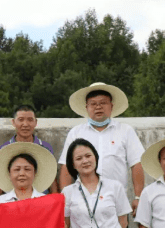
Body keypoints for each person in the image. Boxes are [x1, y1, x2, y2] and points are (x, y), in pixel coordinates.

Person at [58, 83, 145, 217]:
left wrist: (138, 197)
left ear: (111, 106)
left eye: (103, 103)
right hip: (82, 203)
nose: (98, 107)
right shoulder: (76, 133)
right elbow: (66, 167)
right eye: (93, 104)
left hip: (116, 203)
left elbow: (136, 164)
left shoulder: (125, 131)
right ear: (86, 107)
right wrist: (64, 199)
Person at [0, 105, 58, 198]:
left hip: (41, 201)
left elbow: (52, 179)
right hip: (12, 201)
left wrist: (55, 202)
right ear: (13, 122)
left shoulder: (45, 147)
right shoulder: (4, 148)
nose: (25, 124)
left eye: (30, 120)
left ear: (35, 122)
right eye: (21, 119)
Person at [0, 142, 57, 207]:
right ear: (9, 173)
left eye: (27, 169)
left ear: (35, 173)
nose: (22, 174)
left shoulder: (48, 202)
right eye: (17, 169)